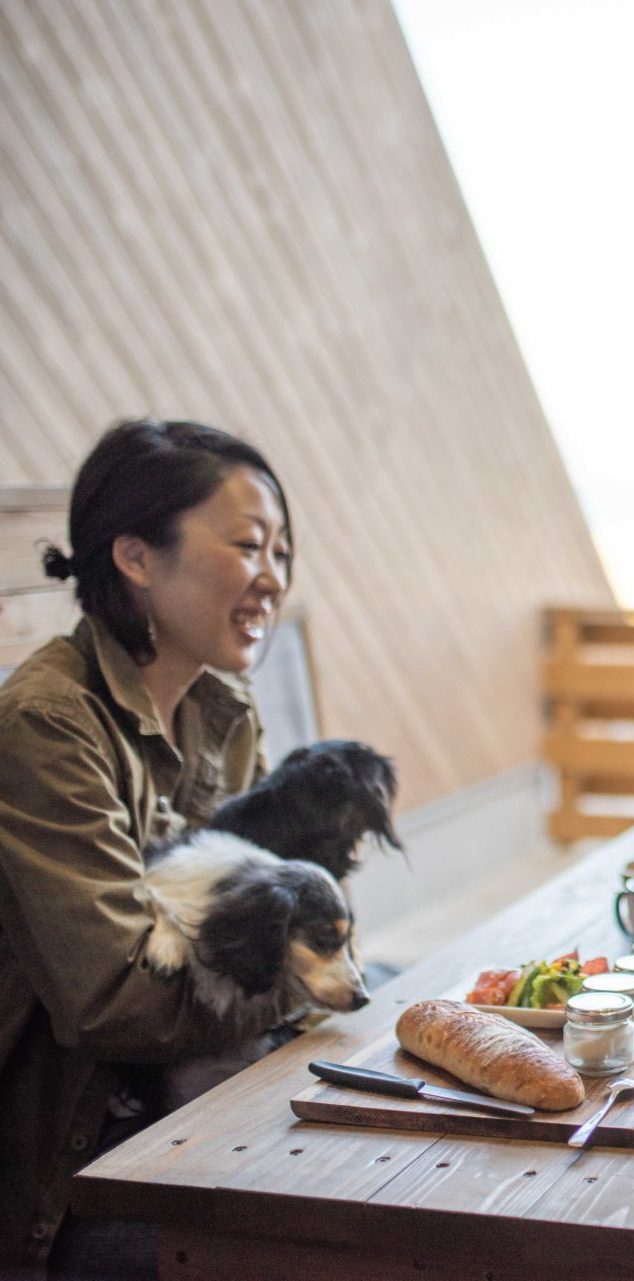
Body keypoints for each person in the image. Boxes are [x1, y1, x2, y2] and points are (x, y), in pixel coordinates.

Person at [0, 419, 295, 1274]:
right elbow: (110, 1001)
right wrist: (294, 977)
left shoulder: (225, 710)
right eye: (248, 545)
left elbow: (280, 913)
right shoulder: (47, 723)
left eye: (281, 550)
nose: (272, 578)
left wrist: (292, 962)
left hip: (205, 1094)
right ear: (136, 556)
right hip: (74, 1161)